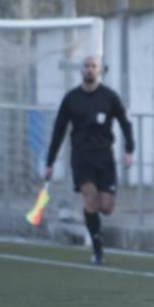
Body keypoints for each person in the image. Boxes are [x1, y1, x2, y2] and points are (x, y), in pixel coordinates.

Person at [44, 55, 135, 265]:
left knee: (107, 207)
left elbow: (125, 123)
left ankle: (91, 219)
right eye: (86, 66)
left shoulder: (109, 97)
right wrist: (50, 162)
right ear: (81, 70)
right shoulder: (71, 99)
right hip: (81, 158)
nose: (89, 69)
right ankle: (97, 249)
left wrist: (129, 150)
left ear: (99, 70)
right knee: (91, 198)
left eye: (93, 66)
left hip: (105, 158)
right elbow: (58, 131)